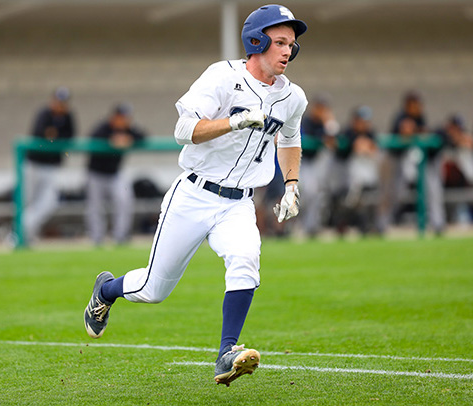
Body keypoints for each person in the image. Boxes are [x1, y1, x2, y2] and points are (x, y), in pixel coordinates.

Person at [83, 4, 308, 386]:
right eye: (280, 42)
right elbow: (183, 129)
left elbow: (290, 140)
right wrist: (233, 122)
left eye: (292, 44)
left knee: (245, 260)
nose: (288, 51)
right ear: (256, 41)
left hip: (239, 201)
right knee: (154, 289)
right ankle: (106, 290)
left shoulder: (293, 97)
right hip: (194, 194)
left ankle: (227, 352)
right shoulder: (222, 76)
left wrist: (291, 185)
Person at [85, 103, 146, 245]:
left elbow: (142, 136)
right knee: (95, 207)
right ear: (115, 117)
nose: (125, 120)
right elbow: (93, 138)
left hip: (115, 174)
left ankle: (120, 236)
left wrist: (128, 139)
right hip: (96, 174)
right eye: (122, 117)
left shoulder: (128, 129)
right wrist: (111, 141)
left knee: (124, 201)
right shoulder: (103, 128)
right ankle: (97, 238)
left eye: (126, 118)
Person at [23, 87, 76, 243]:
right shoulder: (44, 114)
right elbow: (40, 134)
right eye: (58, 101)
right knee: (27, 201)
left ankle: (24, 230)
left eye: (63, 102)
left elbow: (70, 136)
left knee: (49, 202)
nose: (60, 105)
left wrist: (54, 135)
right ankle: (23, 235)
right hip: (33, 164)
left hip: (52, 167)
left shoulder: (68, 117)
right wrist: (52, 136)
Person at [377, 90, 427, 234]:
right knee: (387, 192)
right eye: (414, 104)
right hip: (390, 158)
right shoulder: (401, 116)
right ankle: (381, 225)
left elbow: (424, 132)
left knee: (400, 193)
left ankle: (388, 221)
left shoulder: (419, 117)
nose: (418, 107)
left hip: (403, 159)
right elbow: (406, 132)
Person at [331, 106, 379, 235]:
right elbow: (341, 152)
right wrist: (356, 145)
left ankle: (366, 226)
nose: (364, 124)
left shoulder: (370, 133)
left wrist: (365, 146)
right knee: (350, 201)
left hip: (366, 175)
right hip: (345, 174)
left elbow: (373, 149)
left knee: (367, 200)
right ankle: (341, 223)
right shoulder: (347, 133)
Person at [299, 94, 340, 236]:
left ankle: (312, 226)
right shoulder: (305, 121)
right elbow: (305, 141)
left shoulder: (325, 123)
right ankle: (302, 225)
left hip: (317, 163)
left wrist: (329, 122)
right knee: (307, 193)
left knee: (317, 195)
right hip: (302, 162)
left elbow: (333, 140)